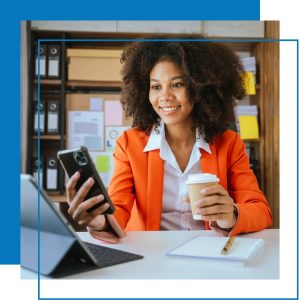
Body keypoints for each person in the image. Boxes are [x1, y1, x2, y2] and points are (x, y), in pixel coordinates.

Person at [66, 35, 272, 239]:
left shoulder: (229, 143)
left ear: (201, 88)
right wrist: (99, 221)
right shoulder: (129, 144)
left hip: (210, 253)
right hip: (154, 258)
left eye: (177, 84)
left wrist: (232, 215)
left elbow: (260, 210)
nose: (164, 97)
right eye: (156, 86)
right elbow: (119, 206)